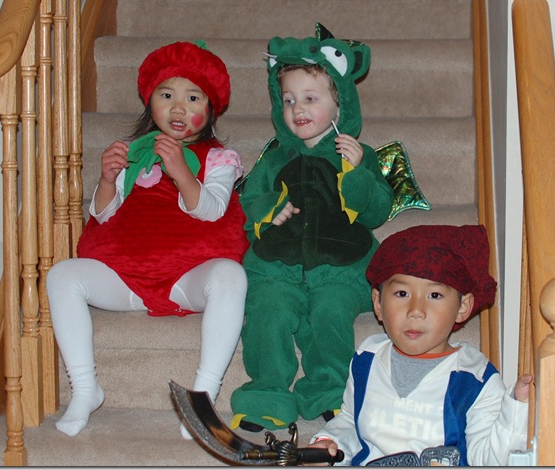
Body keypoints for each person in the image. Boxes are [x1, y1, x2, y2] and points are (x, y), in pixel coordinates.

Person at [46, 41, 249, 439]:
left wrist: (180, 171)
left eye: (192, 98)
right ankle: (85, 388)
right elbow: (104, 217)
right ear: (149, 103)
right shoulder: (135, 154)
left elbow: (211, 210)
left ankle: (203, 396)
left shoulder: (219, 158)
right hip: (128, 278)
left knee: (230, 275)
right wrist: (107, 180)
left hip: (186, 278)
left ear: (210, 110)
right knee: (62, 274)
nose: (178, 108)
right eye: (166, 95)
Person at [230, 24, 394, 432]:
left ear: (339, 106)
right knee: (268, 313)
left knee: (330, 313)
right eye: (288, 100)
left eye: (310, 98)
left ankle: (328, 390)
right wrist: (268, 209)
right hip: (276, 266)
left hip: (340, 267)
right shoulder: (274, 158)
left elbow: (377, 210)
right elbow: (249, 203)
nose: (297, 108)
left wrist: (356, 172)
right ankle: (266, 392)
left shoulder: (358, 154)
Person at [306, 224, 532, 466]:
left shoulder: (474, 378)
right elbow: (351, 421)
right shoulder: (367, 358)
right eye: (402, 293)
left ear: (462, 307)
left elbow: (489, 459)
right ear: (378, 303)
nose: (415, 311)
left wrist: (515, 410)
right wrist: (329, 443)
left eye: (434, 295)